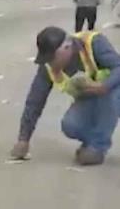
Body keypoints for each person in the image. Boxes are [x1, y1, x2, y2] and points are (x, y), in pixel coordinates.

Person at [10, 27, 120, 166]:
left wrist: (105, 85)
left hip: (113, 92)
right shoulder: (48, 66)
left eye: (52, 57)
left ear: (67, 47)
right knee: (70, 125)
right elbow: (35, 100)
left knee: (110, 97)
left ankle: (98, 147)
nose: (50, 62)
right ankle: (93, 142)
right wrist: (23, 139)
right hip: (91, 98)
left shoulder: (93, 43)